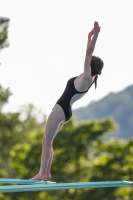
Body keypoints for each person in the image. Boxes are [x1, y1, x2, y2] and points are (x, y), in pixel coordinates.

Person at [31, 21, 104, 180]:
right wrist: (88, 37)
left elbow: (88, 52)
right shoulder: (90, 78)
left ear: (91, 65)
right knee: (48, 141)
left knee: (46, 141)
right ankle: (47, 172)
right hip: (65, 110)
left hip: (60, 109)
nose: (88, 58)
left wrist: (96, 35)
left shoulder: (86, 77)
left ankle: (42, 173)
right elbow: (89, 53)